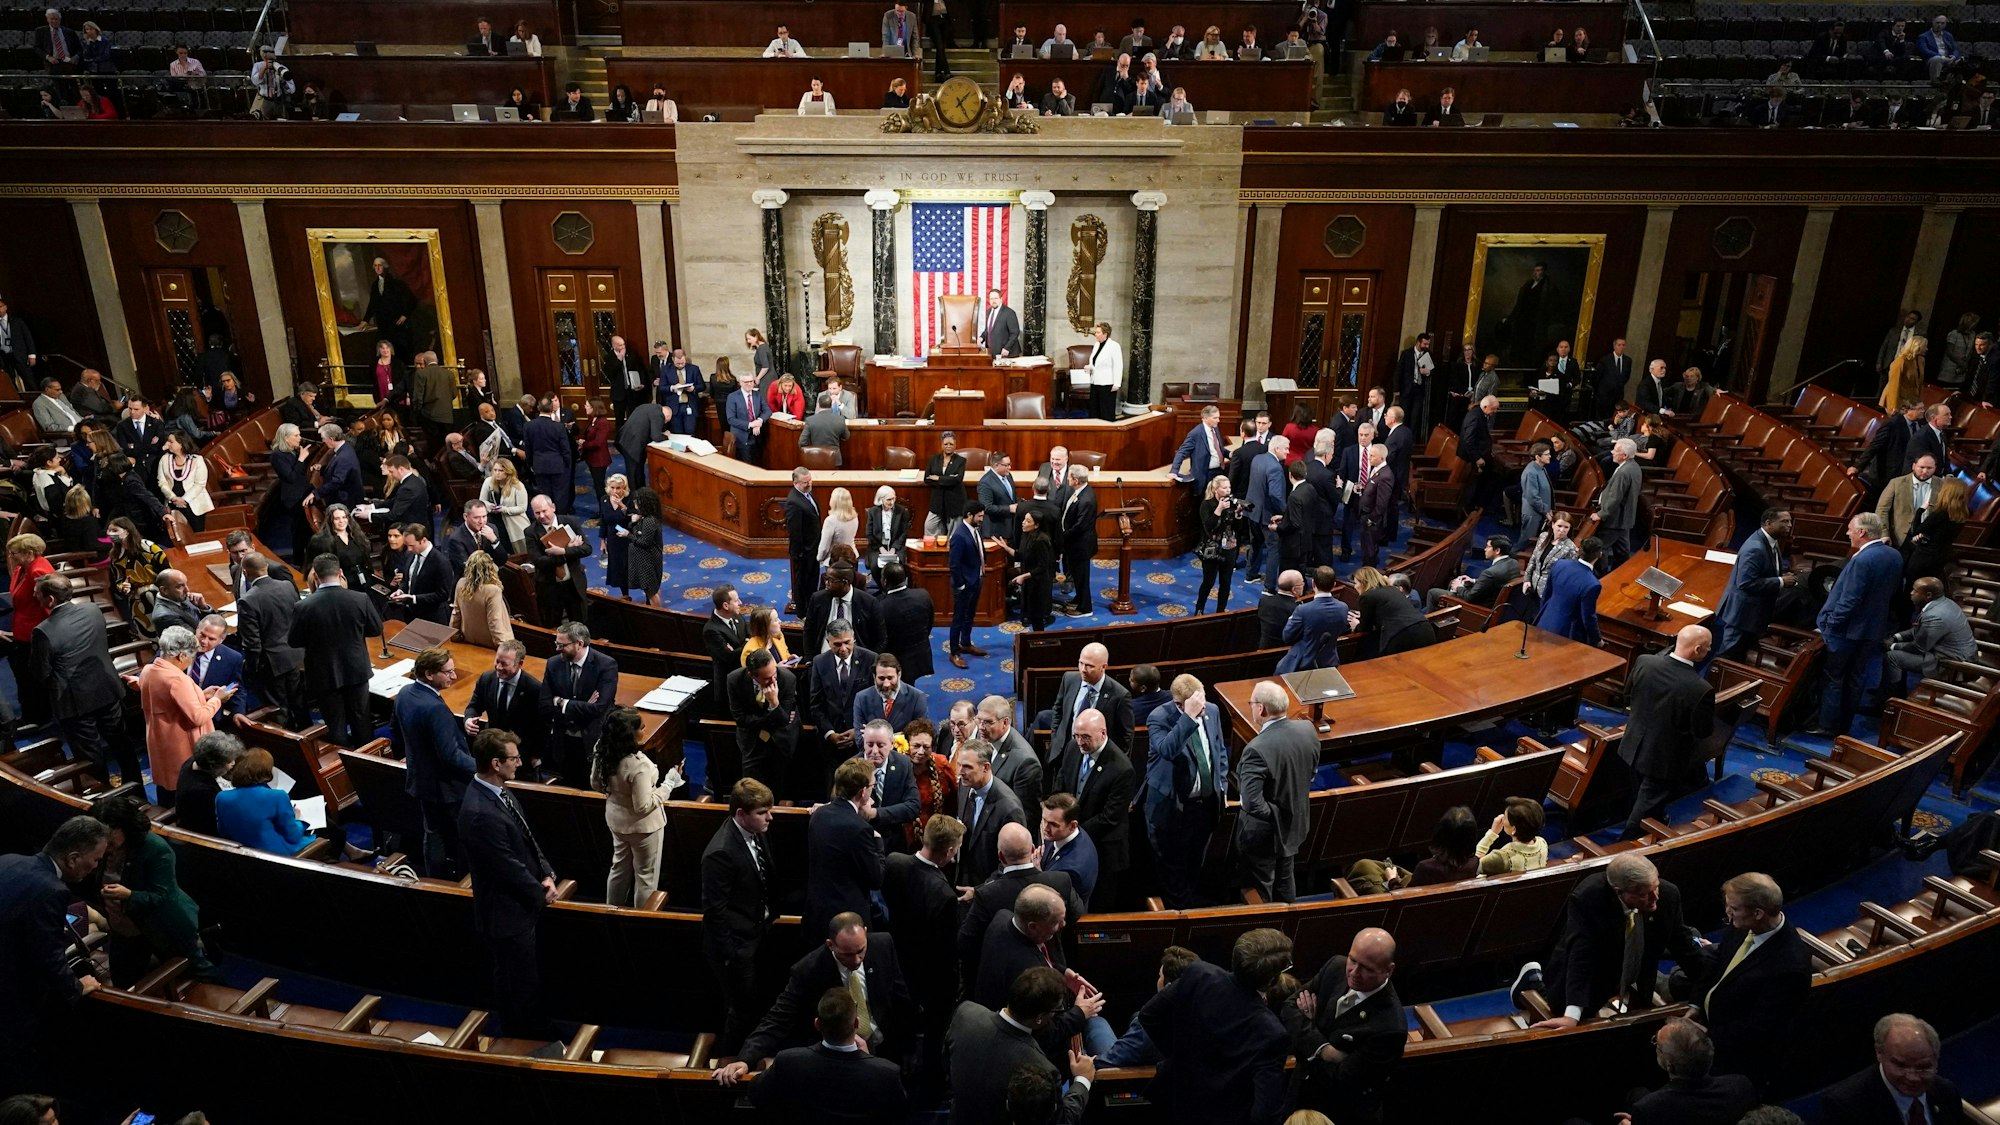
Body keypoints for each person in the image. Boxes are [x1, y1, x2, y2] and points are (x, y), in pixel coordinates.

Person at [1518, 854, 1703, 1029]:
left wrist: (1701, 994)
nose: (1656, 898)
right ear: (1619, 892)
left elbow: (1683, 946)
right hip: (1597, 964)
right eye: (1644, 894)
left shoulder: (1669, 894)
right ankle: (1533, 980)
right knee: (1564, 1008)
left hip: (1638, 967)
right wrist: (1571, 1015)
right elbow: (1582, 954)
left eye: (1656, 886)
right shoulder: (1588, 897)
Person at [717, 912, 913, 1077]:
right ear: (831, 945)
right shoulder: (808, 970)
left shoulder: (883, 945)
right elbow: (778, 1018)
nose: (856, 960)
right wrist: (745, 1059)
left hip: (885, 1047)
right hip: (837, 1057)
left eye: (861, 951)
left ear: (866, 934)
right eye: (847, 954)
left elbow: (901, 998)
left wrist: (912, 1044)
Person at [458, 727, 558, 1038]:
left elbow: (526, 837)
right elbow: (506, 867)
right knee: (518, 980)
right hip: (505, 912)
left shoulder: (501, 791)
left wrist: (546, 873)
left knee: (518, 976)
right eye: (514, 759)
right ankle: (525, 1038)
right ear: (496, 763)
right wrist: (540, 894)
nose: (520, 763)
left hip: (519, 903)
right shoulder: (479, 812)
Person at [1136, 928, 1292, 1123]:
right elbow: (1265, 1114)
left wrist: (1182, 1055)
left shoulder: (1199, 974)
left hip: (1174, 1098)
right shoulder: (1272, 1033)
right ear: (1272, 979)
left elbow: (1150, 1016)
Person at [0, 816, 109, 1093]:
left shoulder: (9, 859)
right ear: (73, 858)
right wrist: (76, 987)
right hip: (11, 996)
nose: (96, 866)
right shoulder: (53, 890)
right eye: (95, 859)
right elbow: (48, 956)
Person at [1280, 928, 1405, 1125]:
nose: (1354, 972)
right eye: (1353, 960)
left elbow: (1341, 1081)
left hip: (1338, 1112)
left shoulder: (1390, 1027)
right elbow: (1289, 1008)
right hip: (1299, 1093)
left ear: (1388, 970)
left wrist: (1308, 1033)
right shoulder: (1336, 967)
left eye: (1367, 968)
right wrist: (1325, 1050)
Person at [32, 572, 144, 784]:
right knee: (122, 745)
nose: (35, 597)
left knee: (90, 756)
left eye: (37, 594)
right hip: (106, 688)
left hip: (75, 702)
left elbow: (40, 673)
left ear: (50, 600)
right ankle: (137, 789)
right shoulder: (93, 610)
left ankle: (103, 796)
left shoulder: (42, 631)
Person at [1613, 623, 1716, 840]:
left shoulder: (1644, 662)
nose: (1709, 652)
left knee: (1638, 793)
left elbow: (1627, 695)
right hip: (1664, 758)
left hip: (1632, 745)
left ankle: (1647, 822)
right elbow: (1702, 731)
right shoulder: (1700, 689)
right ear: (1697, 650)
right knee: (1647, 804)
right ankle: (1625, 845)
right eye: (1708, 648)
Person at [1807, 513, 1903, 737]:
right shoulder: (1894, 555)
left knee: (1834, 677)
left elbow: (1850, 600)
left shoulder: (1862, 560)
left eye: (1850, 529)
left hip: (1846, 631)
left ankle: (1827, 726)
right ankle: (1844, 725)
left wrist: (1831, 623)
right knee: (1856, 677)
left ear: (1862, 532)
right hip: (1873, 628)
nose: (1847, 533)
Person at [702, 777, 776, 1055]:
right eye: (762, 812)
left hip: (757, 931)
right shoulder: (720, 853)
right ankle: (731, 1060)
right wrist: (732, 954)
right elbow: (714, 912)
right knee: (741, 1010)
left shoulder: (755, 830)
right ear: (741, 814)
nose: (770, 817)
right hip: (737, 947)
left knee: (757, 1001)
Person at [288, 554, 384, 749]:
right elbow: (376, 629)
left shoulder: (303, 606)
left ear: (315, 577)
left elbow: (294, 640)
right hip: (356, 669)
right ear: (340, 573)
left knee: (335, 724)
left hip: (323, 674)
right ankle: (367, 761)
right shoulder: (360, 598)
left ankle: (342, 767)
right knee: (361, 719)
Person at [1235, 680, 1317, 902]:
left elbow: (1251, 803)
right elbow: (1311, 773)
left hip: (1264, 835)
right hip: (1295, 824)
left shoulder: (1256, 749)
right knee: (1285, 876)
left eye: (1251, 703)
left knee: (1261, 887)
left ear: (1260, 708)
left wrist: (1274, 815)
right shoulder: (1307, 729)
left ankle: (1268, 933)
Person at [138, 625, 231, 809]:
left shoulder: (149, 669)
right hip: (180, 743)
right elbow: (197, 717)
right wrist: (217, 700)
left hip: (159, 738)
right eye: (191, 656)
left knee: (166, 787)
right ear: (181, 656)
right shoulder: (176, 679)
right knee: (184, 789)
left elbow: (170, 703)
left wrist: (200, 695)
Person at [1049, 709, 1134, 907]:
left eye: (1085, 737)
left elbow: (1109, 817)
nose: (1079, 742)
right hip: (1069, 836)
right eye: (1076, 736)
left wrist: (1071, 832)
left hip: (1102, 847)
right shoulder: (1073, 748)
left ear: (1103, 733)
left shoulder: (1122, 768)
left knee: (1098, 903)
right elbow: (1061, 782)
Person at [1817, 1013, 1961, 1124]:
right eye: (1900, 1065)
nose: (1912, 1077)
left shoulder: (1946, 1093)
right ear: (1879, 1053)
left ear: (1936, 1060)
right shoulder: (1845, 1107)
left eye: (1922, 1067)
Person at [1621, 1018, 1758, 1124]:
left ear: (1669, 1065)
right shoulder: (1741, 1086)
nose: (1656, 1047)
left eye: (1658, 1045)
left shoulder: (1648, 1109)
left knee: (1637, 1094)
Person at [1715, 509, 1797, 662]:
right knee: (1726, 656)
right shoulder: (1755, 548)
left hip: (1753, 613)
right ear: (1768, 524)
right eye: (1784, 522)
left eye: (1789, 521)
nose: (1789, 525)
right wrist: (1780, 581)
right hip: (1742, 615)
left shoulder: (1771, 541)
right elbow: (1745, 582)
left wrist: (1782, 576)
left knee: (1739, 655)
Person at [1346, 806, 1481, 894]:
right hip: (1427, 890)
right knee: (1371, 866)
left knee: (1362, 866)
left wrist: (1392, 880)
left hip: (1408, 901)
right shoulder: (1474, 862)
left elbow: (1404, 898)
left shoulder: (1426, 867)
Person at [1882, 576, 1976, 698]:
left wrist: (1892, 646)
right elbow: (1919, 629)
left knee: (1892, 657)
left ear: (1928, 595)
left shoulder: (1934, 615)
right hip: (1951, 654)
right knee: (1897, 652)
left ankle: (1887, 703)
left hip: (1951, 664)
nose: (1911, 593)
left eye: (1915, 591)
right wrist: (1896, 637)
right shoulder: (1945, 603)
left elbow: (1919, 648)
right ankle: (1893, 691)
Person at [953, 738, 1027, 887]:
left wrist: (980, 890)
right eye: (960, 765)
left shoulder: (1009, 809)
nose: (960, 772)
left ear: (986, 767)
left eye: (967, 767)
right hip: (962, 877)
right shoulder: (966, 785)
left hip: (988, 888)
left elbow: (1011, 862)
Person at [731, 646, 802, 798]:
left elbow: (783, 721)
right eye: (767, 678)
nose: (773, 680)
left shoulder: (788, 679)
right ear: (752, 675)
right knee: (750, 792)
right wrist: (773, 715)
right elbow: (741, 719)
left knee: (780, 790)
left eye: (774, 673)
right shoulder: (734, 679)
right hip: (752, 742)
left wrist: (774, 702)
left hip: (781, 741)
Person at [214, 748, 311, 854]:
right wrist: (298, 819)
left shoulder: (222, 797)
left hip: (241, 854)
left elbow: (223, 832)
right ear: (267, 771)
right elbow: (294, 836)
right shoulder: (277, 796)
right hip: (277, 856)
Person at [1279, 565, 1349, 673]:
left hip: (1304, 664)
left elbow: (1287, 636)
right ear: (1334, 585)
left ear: (1313, 584)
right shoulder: (1343, 607)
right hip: (1330, 662)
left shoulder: (1303, 610)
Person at [1352, 566, 1433, 657]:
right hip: (1425, 628)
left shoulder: (1367, 596)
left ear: (1363, 582)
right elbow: (1391, 611)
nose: (1355, 586)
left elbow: (1365, 628)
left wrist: (1356, 625)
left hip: (1403, 635)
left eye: (1356, 583)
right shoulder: (1393, 589)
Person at [875, 563, 935, 684]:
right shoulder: (923, 595)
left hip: (894, 660)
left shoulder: (880, 606)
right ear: (905, 579)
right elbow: (929, 624)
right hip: (920, 654)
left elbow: (879, 638)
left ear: (884, 581)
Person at [1056, 465, 1099, 617]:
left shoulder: (1086, 498)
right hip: (1074, 544)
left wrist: (1062, 537)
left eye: (1069, 477)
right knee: (1077, 575)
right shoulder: (1080, 491)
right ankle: (1079, 599)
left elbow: (1080, 526)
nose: (1067, 479)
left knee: (1082, 577)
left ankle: (1085, 608)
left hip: (1080, 545)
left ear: (1075, 480)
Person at [1597, 437, 1642, 570]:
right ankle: (1620, 571)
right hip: (1625, 518)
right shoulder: (1634, 467)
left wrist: (1601, 514)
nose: (1612, 452)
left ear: (1624, 455)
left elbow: (1615, 497)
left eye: (1615, 450)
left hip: (1615, 519)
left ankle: (1602, 576)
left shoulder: (1623, 472)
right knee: (1622, 551)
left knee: (1601, 546)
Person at [948, 506, 984, 668]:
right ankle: (954, 651)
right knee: (958, 618)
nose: (982, 519)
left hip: (976, 579)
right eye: (979, 516)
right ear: (969, 515)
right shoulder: (959, 535)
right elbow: (953, 564)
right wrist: (960, 584)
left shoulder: (975, 530)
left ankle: (966, 643)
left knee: (970, 614)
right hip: (964, 584)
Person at [1475, 796, 1548, 875]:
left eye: (1505, 817)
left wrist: (1492, 833)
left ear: (1514, 829)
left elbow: (1474, 866)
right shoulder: (1542, 843)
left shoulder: (1500, 858)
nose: (1502, 819)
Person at [1012, 509, 1056, 630]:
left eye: (1028, 521)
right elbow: (1022, 555)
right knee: (1031, 612)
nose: (1023, 523)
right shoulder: (1027, 535)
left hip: (1039, 582)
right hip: (1030, 580)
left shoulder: (1041, 540)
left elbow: (1042, 567)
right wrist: (1005, 548)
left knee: (1037, 617)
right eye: (1024, 519)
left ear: (1036, 525)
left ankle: (1039, 642)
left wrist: (1023, 576)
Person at [922, 433, 967, 536]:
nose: (948, 446)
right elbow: (927, 479)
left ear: (955, 445)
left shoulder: (960, 461)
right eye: (946, 444)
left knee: (954, 534)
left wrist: (938, 478)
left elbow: (958, 479)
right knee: (929, 525)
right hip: (937, 500)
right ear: (941, 445)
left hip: (954, 501)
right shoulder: (933, 459)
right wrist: (948, 480)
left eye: (951, 444)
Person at [1085, 321, 1122, 421]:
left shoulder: (1114, 346)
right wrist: (1090, 367)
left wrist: (1117, 384)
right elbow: (1095, 361)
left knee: (1106, 410)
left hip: (1107, 383)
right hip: (1095, 381)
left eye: (1098, 332)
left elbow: (1118, 365)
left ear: (1105, 334)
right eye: (1096, 332)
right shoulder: (1097, 344)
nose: (1095, 334)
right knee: (1094, 409)